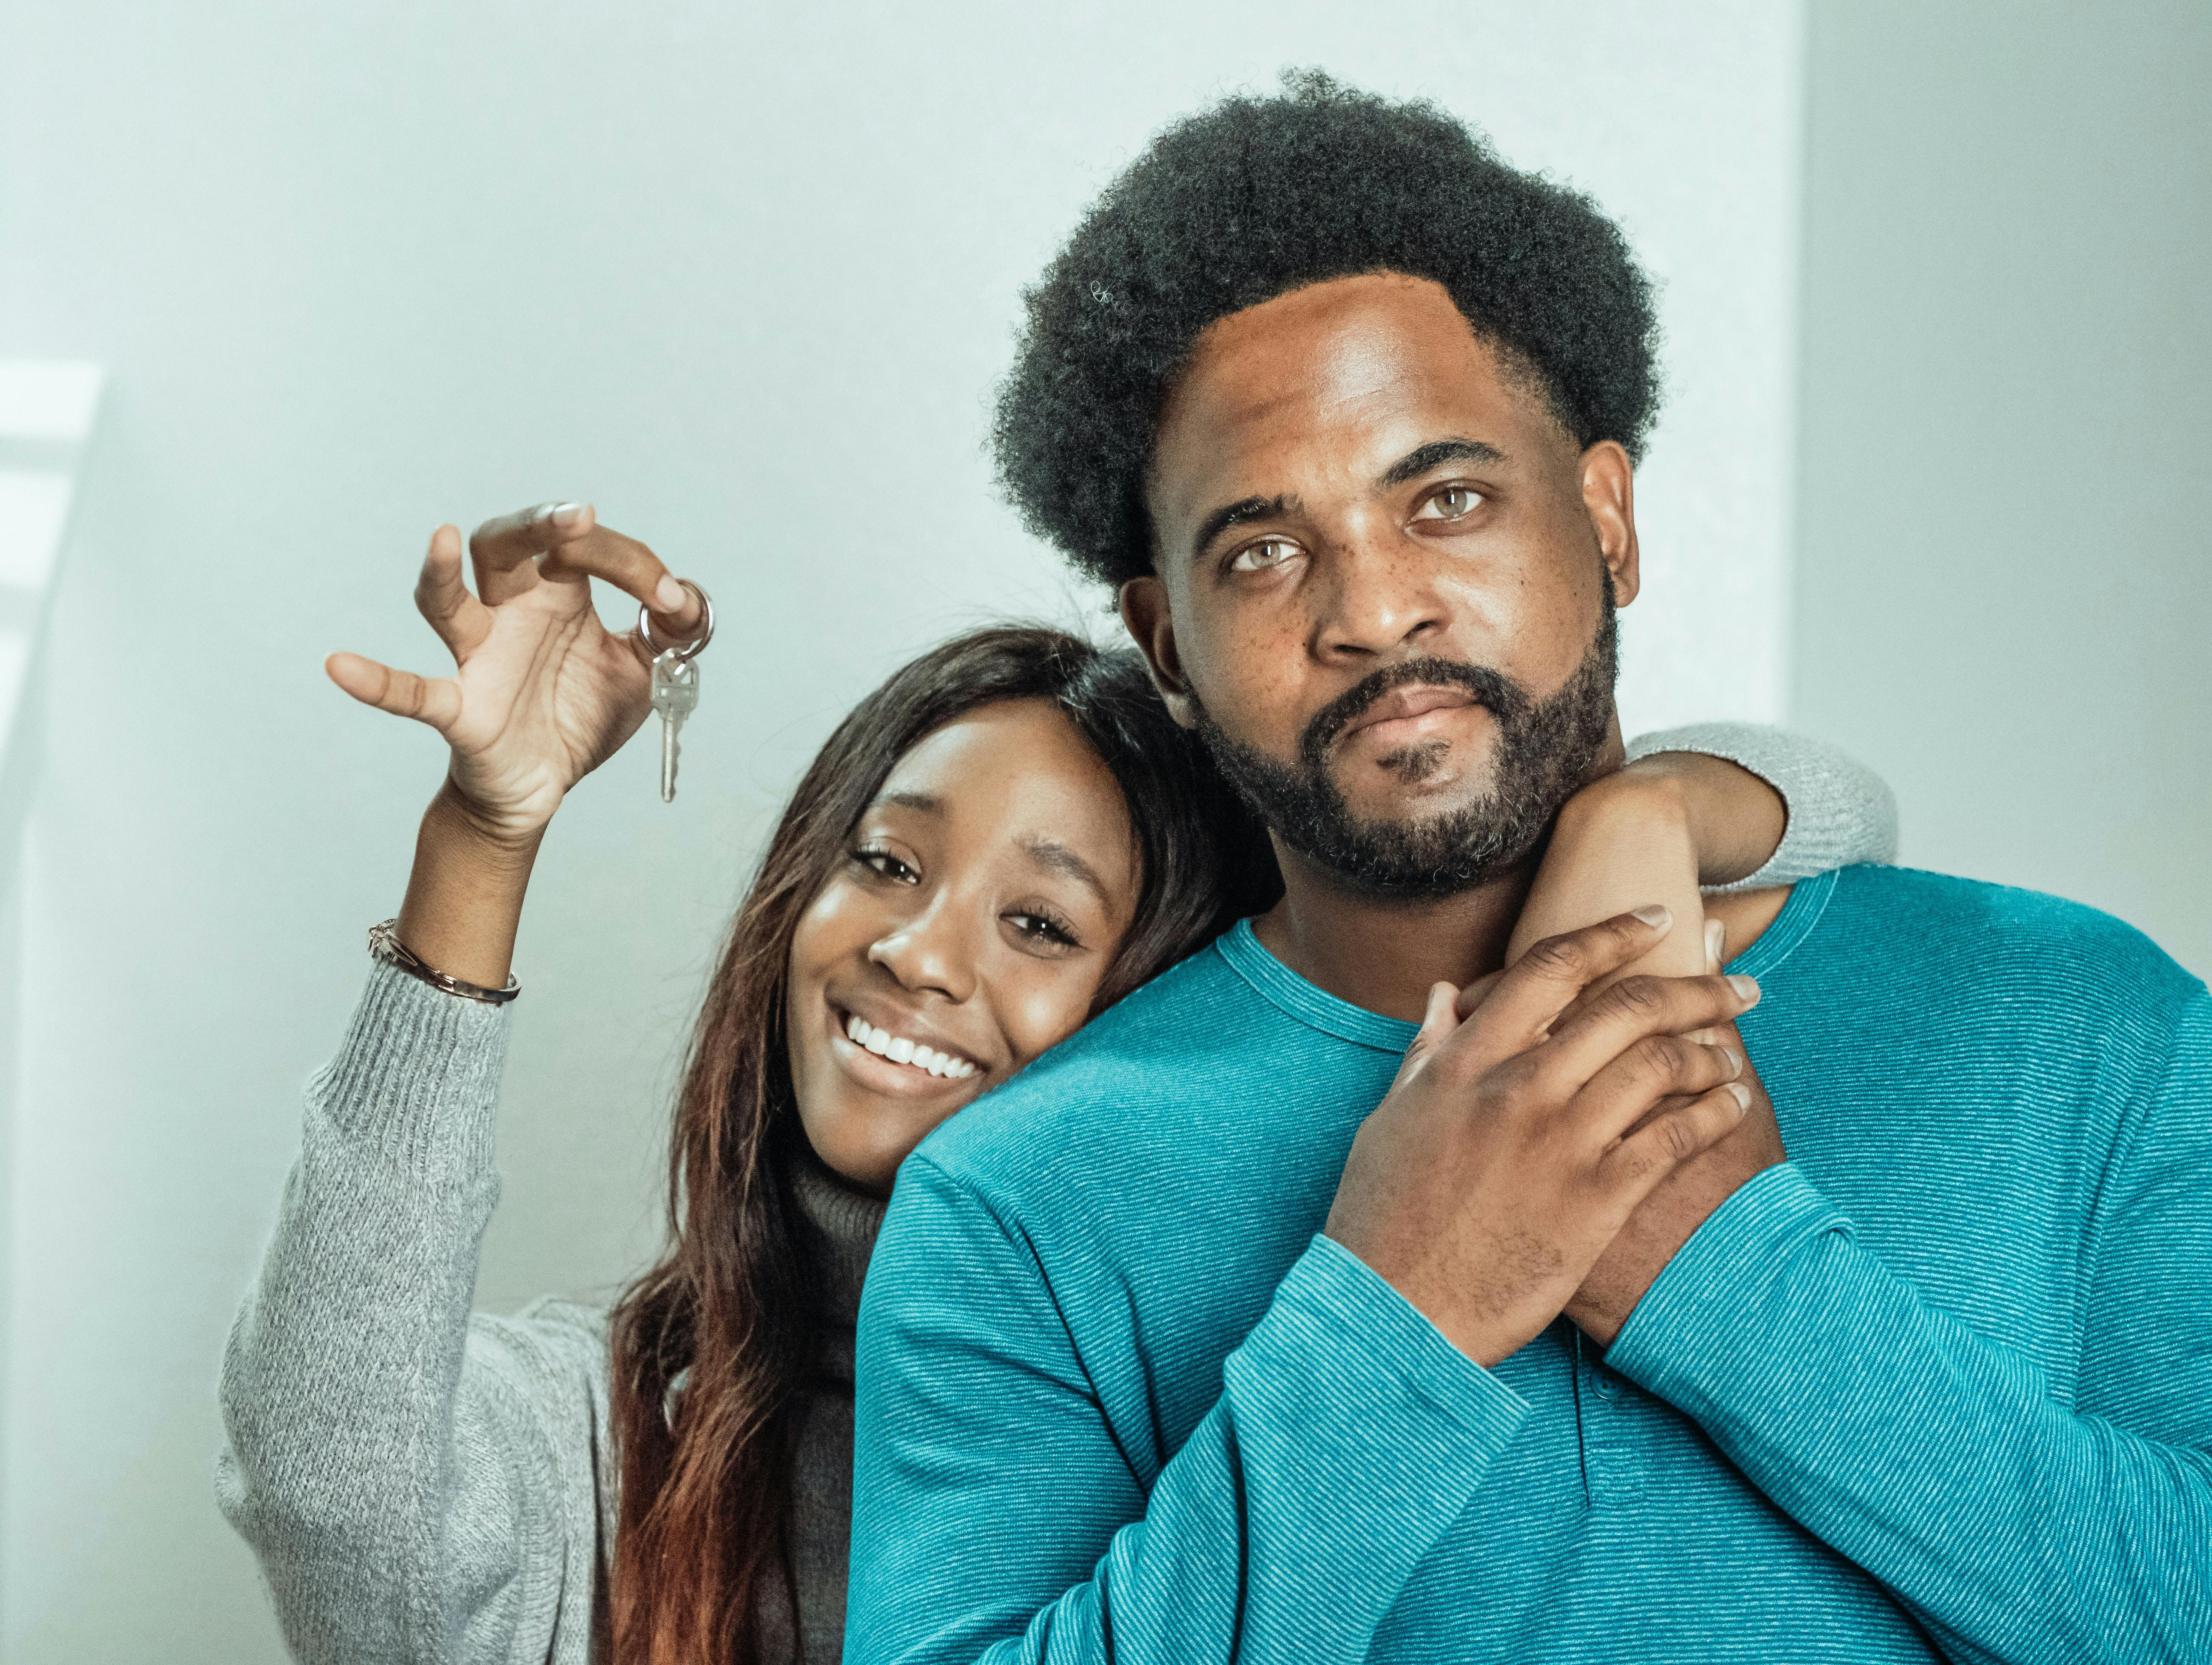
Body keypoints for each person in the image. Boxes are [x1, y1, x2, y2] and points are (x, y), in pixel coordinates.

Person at [847, 75, 2212, 1665]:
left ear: (1607, 518)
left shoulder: (2083, 1020)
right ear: (1166, 647)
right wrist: (1396, 1313)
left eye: (1447, 499)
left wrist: (1731, 1282)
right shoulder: (1025, 1201)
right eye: (1265, 550)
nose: (1374, 608)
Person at [215, 497, 1892, 1665]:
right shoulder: (606, 1427)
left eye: (1039, 919)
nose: (918, 954)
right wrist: (484, 841)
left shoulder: (1229, 1397)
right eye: (883, 863)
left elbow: (1847, 813)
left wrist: (1630, 819)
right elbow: (326, 1473)